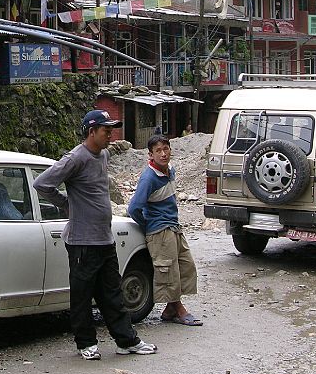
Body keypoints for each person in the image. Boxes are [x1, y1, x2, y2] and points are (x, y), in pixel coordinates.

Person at [33, 109, 156, 360]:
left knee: (112, 292)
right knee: (82, 295)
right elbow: (42, 184)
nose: (110, 134)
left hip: (104, 239)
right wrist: (67, 204)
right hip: (82, 242)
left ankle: (126, 340)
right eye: (106, 130)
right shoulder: (75, 158)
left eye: (111, 130)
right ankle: (85, 343)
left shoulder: (102, 156)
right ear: (91, 132)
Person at [128, 134, 202, 327]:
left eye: (165, 149)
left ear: (170, 150)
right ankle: (178, 309)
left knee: (185, 266)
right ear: (150, 155)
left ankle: (170, 309)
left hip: (173, 226)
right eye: (158, 151)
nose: (163, 154)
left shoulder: (170, 171)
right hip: (159, 230)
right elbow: (134, 208)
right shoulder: (148, 178)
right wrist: (148, 226)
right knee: (167, 270)